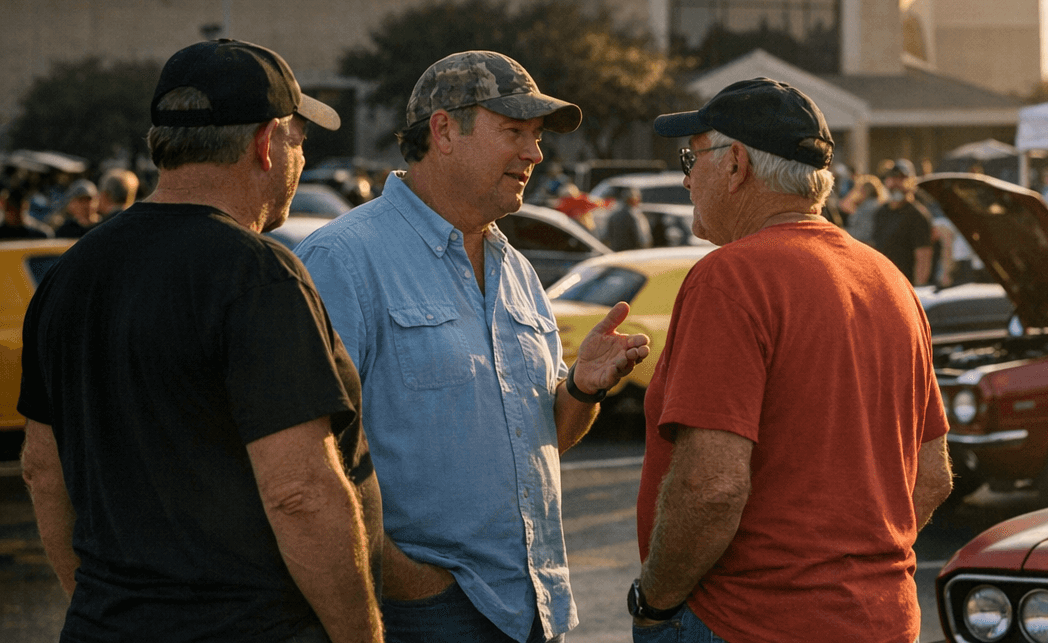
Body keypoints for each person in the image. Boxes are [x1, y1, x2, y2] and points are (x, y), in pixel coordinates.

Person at [18, 39, 382, 643]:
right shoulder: (259, 273)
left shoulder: (67, 275)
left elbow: (40, 470)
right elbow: (299, 494)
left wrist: (102, 605)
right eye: (298, 138)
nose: (299, 154)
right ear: (267, 143)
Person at [296, 50, 649, 643]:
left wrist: (582, 389)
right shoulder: (343, 260)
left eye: (536, 136)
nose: (535, 154)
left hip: (535, 609)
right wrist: (409, 583)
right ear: (443, 131)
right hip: (420, 616)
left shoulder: (517, 269)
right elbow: (310, 464)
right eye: (514, 131)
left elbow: (535, 444)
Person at [634, 78, 951, 643]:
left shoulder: (731, 277)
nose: (685, 177)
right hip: (882, 618)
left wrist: (654, 600)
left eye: (692, 156)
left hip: (750, 622)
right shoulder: (889, 280)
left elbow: (712, 488)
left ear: (735, 165)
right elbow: (931, 475)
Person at [872, 158, 934, 285]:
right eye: (892, 178)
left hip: (906, 286)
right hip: (884, 284)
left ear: (912, 182)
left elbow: (923, 259)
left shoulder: (918, 215)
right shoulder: (881, 212)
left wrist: (918, 291)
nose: (896, 183)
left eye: (902, 178)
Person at [837, 173, 885, 244]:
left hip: (863, 243)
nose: (856, 193)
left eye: (858, 189)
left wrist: (841, 231)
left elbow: (863, 234)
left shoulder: (868, 207)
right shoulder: (873, 203)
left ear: (864, 191)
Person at [605, 188, 653, 252]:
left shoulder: (614, 215)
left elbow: (607, 237)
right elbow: (644, 240)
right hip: (633, 254)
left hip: (617, 254)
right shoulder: (636, 216)